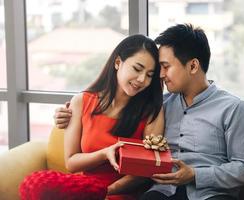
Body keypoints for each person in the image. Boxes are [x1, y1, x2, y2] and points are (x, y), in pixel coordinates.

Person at [54, 24, 244, 200]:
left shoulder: (233, 109)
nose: (159, 76)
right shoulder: (161, 105)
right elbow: (106, 105)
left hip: (210, 193)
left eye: (165, 67)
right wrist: (66, 113)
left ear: (193, 66)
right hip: (163, 192)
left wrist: (196, 175)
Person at [20, 34, 164, 200]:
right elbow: (71, 163)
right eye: (137, 69)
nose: (141, 79)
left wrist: (106, 191)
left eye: (149, 75)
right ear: (118, 63)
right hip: (84, 188)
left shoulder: (152, 111)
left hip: (118, 193)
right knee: (35, 184)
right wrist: (104, 153)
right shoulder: (82, 101)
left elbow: (146, 171)